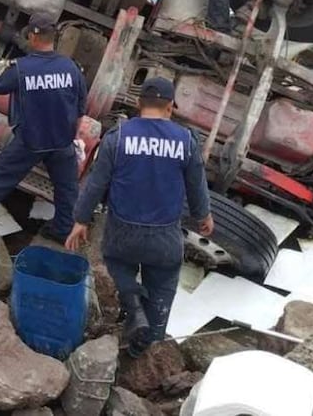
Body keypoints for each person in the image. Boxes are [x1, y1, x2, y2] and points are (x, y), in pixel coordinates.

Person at [66, 77, 213, 358]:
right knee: (163, 283)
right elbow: (196, 184)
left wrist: (81, 220)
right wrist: (203, 215)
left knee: (115, 260)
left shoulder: (118, 137)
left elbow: (96, 183)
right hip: (165, 236)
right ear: (170, 107)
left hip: (123, 232)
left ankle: (132, 303)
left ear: (138, 104)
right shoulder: (186, 141)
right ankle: (146, 345)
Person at [0, 13, 88, 243]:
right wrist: (72, 138)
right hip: (62, 143)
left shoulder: (22, 68)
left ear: (32, 37)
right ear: (53, 38)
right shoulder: (71, 68)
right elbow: (80, 110)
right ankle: (61, 231)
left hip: (31, 141)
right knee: (67, 191)